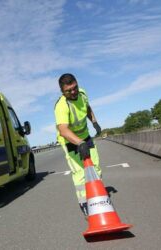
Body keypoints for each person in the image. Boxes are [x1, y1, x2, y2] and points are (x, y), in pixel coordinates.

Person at [54, 73, 102, 218]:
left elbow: (87, 107)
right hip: (70, 140)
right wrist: (79, 143)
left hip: (85, 136)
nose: (73, 92)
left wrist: (94, 122)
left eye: (74, 88)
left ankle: (98, 197)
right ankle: (84, 203)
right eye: (68, 91)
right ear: (62, 92)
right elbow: (63, 130)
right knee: (80, 173)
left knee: (96, 167)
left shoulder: (82, 93)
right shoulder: (61, 106)